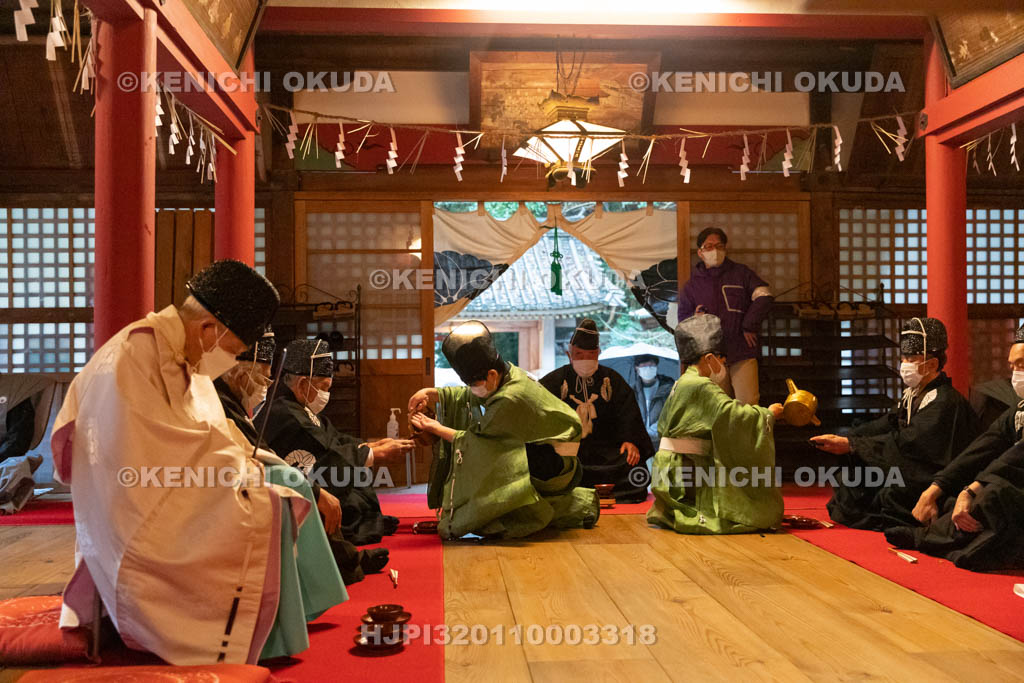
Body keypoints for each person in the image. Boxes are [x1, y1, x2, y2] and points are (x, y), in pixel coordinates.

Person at [51, 259, 326, 664]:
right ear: (209, 329)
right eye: (233, 350)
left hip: (168, 484)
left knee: (276, 486)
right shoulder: (134, 354)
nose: (230, 361)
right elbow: (147, 450)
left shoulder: (184, 351)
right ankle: (261, 636)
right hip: (134, 511)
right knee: (267, 503)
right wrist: (239, 470)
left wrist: (242, 464)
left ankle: (281, 620)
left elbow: (207, 431)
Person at [215, 328, 387, 587]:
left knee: (342, 493)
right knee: (308, 496)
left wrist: (366, 447)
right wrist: (368, 455)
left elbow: (332, 439)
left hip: (265, 479)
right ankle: (344, 564)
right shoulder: (279, 411)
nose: (265, 386)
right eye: (262, 379)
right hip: (235, 491)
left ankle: (344, 560)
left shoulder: (235, 400)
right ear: (239, 371)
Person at [408, 320, 599, 539]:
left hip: (556, 464)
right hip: (542, 452)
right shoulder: (509, 373)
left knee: (486, 460)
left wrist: (434, 427)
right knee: (487, 453)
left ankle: (489, 515)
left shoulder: (511, 398)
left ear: (491, 375)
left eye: (473, 383)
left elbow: (476, 442)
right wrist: (433, 393)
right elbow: (471, 395)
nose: (472, 388)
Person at [812, 317, 980, 531]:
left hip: (933, 473)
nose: (905, 363)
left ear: (933, 364)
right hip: (908, 464)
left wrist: (854, 445)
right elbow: (888, 424)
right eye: (904, 357)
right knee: (853, 478)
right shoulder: (913, 394)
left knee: (889, 491)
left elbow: (912, 443)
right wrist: (849, 438)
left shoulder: (945, 401)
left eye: (911, 358)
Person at [882, 324, 1024, 570]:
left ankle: (932, 540)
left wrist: (971, 490)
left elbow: (1016, 457)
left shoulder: (946, 400)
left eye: (1021, 365)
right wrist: (936, 489)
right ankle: (944, 539)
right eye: (1012, 366)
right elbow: (983, 447)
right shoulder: (1019, 410)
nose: (1014, 373)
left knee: (995, 494)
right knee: (949, 497)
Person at [263, 339, 412, 546]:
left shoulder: (299, 406)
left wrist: (370, 447)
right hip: (296, 489)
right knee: (350, 499)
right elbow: (323, 453)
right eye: (324, 387)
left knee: (358, 490)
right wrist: (373, 455)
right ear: (303, 384)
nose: (326, 395)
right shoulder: (286, 414)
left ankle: (369, 522)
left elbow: (334, 438)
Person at [647, 314, 785, 534]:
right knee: (754, 514)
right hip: (686, 467)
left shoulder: (682, 382)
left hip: (671, 465)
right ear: (710, 358)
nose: (723, 365)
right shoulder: (700, 385)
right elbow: (730, 414)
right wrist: (768, 414)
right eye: (722, 360)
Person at [538, 319, 652, 503]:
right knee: (545, 462)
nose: (585, 360)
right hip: (569, 451)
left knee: (635, 467)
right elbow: (538, 412)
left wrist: (630, 440)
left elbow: (628, 412)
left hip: (608, 453)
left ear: (598, 354)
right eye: (579, 355)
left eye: (590, 355)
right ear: (569, 355)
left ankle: (585, 493)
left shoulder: (612, 380)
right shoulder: (555, 381)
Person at [677, 227, 773, 405]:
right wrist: (696, 318)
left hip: (742, 350)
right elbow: (682, 321)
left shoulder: (741, 273)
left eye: (719, 245)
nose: (714, 250)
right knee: (718, 405)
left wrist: (749, 325)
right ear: (700, 252)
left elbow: (764, 295)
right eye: (709, 246)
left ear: (725, 248)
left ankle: (750, 434)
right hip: (710, 356)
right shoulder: (692, 285)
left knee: (749, 403)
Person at [631, 354, 674, 456]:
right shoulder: (632, 391)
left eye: (651, 365)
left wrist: (652, 431)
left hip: (664, 442)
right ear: (636, 368)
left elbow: (671, 413)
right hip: (640, 443)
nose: (648, 369)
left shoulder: (669, 388)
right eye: (644, 366)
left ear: (656, 367)